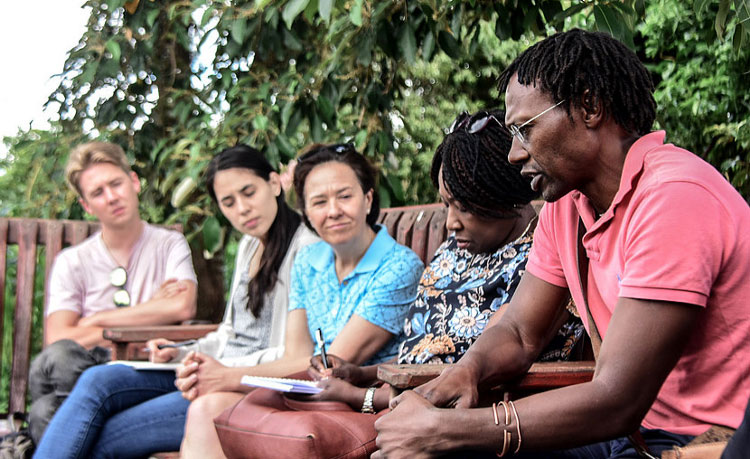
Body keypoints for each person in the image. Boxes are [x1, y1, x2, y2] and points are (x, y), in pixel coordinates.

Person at [372, 29, 750, 458]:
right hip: (629, 434)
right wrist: (467, 371)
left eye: (525, 130)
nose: (514, 153)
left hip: (708, 440)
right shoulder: (566, 206)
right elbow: (519, 331)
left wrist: (449, 430)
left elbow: (617, 398)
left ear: (589, 106)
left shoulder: (675, 196)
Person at [33, 144, 319, 458]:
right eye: (228, 202)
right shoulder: (251, 245)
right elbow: (229, 335)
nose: (242, 209)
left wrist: (215, 369)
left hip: (245, 386)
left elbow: (297, 357)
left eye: (249, 192)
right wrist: (181, 352)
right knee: (98, 379)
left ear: (275, 183)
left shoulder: (306, 250)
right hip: (212, 373)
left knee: (99, 438)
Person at [305, 110, 584, 413]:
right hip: (409, 396)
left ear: (507, 195)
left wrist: (360, 397)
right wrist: (360, 373)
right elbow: (427, 352)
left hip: (465, 412)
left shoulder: (538, 261)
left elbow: (472, 374)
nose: (451, 223)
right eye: (446, 204)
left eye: (464, 207)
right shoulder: (457, 250)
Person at [178, 143, 424, 458]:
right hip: (307, 395)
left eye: (345, 196)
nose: (333, 211)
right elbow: (297, 354)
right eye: (319, 202)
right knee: (204, 409)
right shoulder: (309, 259)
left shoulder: (398, 267)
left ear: (368, 199)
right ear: (306, 211)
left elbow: (332, 366)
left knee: (220, 410)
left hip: (361, 403)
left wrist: (226, 376)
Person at [28, 141, 198, 445]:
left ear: (133, 182)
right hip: (83, 371)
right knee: (58, 362)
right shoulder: (72, 261)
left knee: (46, 413)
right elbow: (59, 339)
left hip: (147, 373)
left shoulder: (169, 245)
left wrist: (97, 320)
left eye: (115, 184)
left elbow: (183, 306)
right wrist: (153, 308)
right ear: (87, 206)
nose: (111, 197)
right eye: (97, 192)